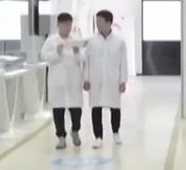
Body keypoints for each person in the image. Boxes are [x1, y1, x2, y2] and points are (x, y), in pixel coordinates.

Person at [40, 12, 85, 149]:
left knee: (76, 110)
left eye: (69, 25)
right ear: (58, 25)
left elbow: (83, 58)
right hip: (57, 81)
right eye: (64, 25)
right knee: (58, 111)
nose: (67, 27)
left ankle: (75, 131)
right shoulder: (51, 41)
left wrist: (77, 52)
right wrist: (57, 53)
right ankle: (61, 137)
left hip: (73, 81)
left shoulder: (76, 39)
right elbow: (44, 56)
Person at [84, 9, 128, 148]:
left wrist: (123, 80)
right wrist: (86, 79)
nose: (98, 25)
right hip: (95, 80)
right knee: (96, 108)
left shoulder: (119, 41)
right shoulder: (92, 41)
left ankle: (116, 133)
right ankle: (98, 137)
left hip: (113, 79)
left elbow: (123, 62)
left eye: (100, 22)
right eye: (97, 22)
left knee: (115, 107)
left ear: (109, 23)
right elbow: (86, 61)